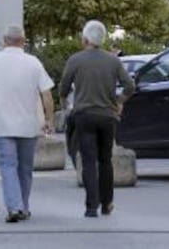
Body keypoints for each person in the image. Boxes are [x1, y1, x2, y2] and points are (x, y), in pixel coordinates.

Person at [0, 24, 54, 223]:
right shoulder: (33, 62)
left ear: (4, 40)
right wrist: (49, 119)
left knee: (8, 166)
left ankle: (14, 207)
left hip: (2, 124)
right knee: (25, 169)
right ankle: (23, 206)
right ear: (23, 41)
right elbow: (46, 93)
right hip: (28, 125)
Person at [59, 20, 134, 218]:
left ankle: (91, 207)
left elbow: (64, 87)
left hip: (84, 115)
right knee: (105, 160)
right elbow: (129, 85)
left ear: (85, 39)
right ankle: (107, 203)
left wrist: (64, 103)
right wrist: (119, 101)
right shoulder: (113, 60)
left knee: (89, 161)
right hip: (107, 116)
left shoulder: (75, 60)